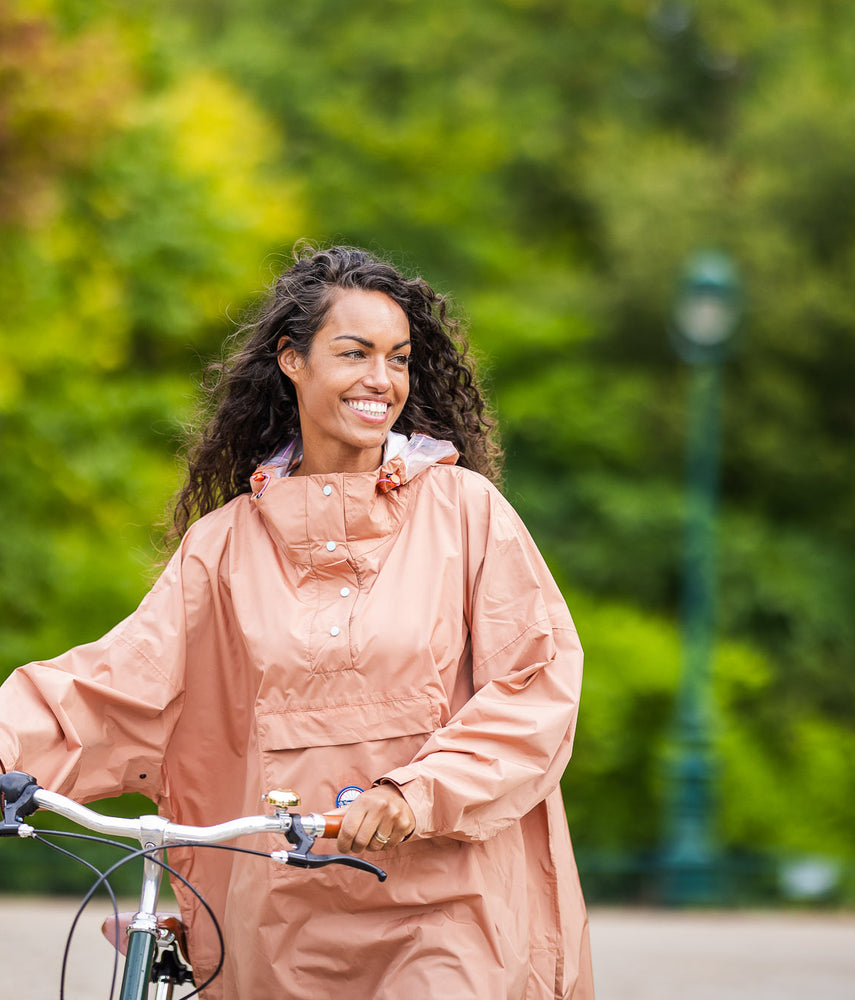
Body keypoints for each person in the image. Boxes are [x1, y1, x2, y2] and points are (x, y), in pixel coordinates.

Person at [0, 245, 594, 999]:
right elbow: (114, 684)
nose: (382, 379)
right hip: (283, 920)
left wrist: (414, 792)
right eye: (354, 353)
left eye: (398, 359)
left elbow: (537, 685)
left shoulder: (466, 512)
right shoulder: (223, 545)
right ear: (292, 360)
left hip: (451, 908)